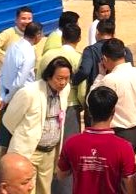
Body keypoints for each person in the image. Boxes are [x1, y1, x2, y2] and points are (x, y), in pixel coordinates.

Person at [3, 57, 72, 194]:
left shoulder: (65, 90)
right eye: (59, 78)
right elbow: (9, 120)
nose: (63, 82)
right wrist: (26, 136)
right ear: (49, 76)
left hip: (49, 153)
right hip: (29, 152)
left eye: (67, 78)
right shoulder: (29, 93)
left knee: (45, 190)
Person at [57, 87, 136, 194]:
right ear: (113, 111)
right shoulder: (124, 147)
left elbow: (61, 175)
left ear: (89, 111)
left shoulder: (71, 143)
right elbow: (130, 187)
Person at [91, 38, 136, 152]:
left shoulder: (109, 80)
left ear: (104, 58)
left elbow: (91, 100)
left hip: (118, 134)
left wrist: (100, 75)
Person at [38, 22, 85, 166]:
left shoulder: (47, 55)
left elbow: (38, 79)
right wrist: (82, 104)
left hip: (44, 103)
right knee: (68, 148)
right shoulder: (79, 58)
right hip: (70, 106)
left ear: (62, 37)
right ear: (79, 39)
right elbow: (82, 90)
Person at [74, 19, 136, 123]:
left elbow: (84, 71)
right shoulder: (124, 50)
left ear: (97, 32)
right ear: (114, 33)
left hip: (97, 99)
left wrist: (73, 81)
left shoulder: (90, 50)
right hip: (122, 100)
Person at [0, 21, 45, 151]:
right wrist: (7, 99)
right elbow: (19, 82)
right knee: (18, 136)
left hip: (7, 93)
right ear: (37, 35)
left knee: (5, 136)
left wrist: (2, 96)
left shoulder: (13, 46)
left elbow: (2, 72)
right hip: (19, 95)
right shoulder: (29, 53)